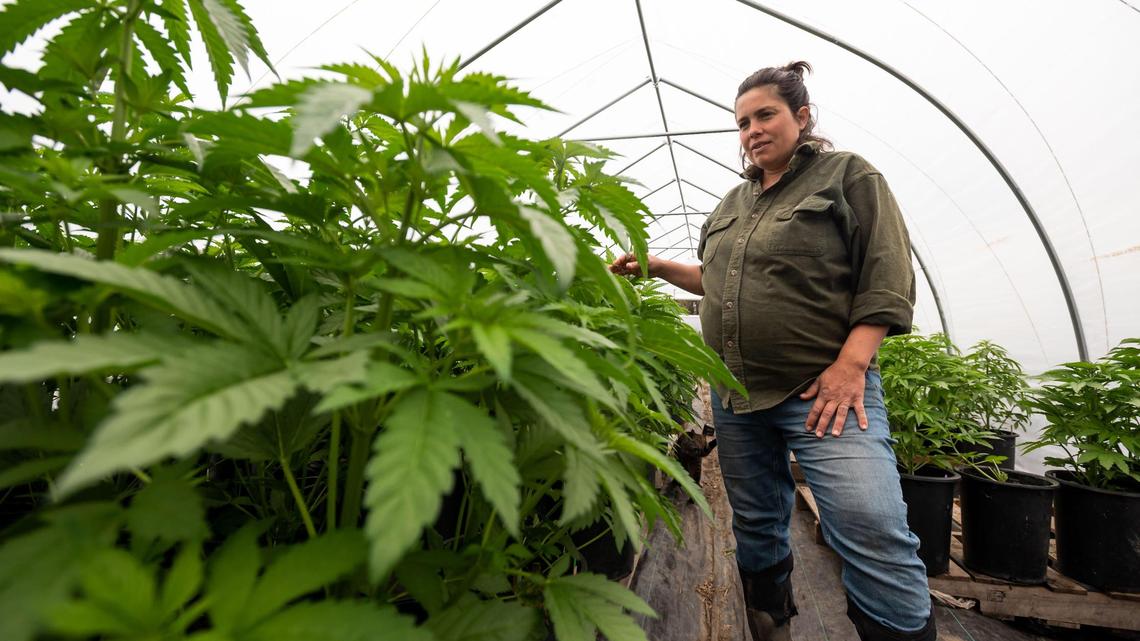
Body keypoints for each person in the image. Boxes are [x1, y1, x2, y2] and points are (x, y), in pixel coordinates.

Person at [610, 61, 936, 641]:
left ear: (802, 117)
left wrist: (850, 366)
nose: (752, 130)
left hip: (823, 393)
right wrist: (658, 265)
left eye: (765, 115)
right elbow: (715, 281)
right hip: (735, 399)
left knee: (871, 525)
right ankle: (769, 625)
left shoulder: (847, 176)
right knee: (758, 525)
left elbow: (886, 275)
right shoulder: (732, 203)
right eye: (742, 123)